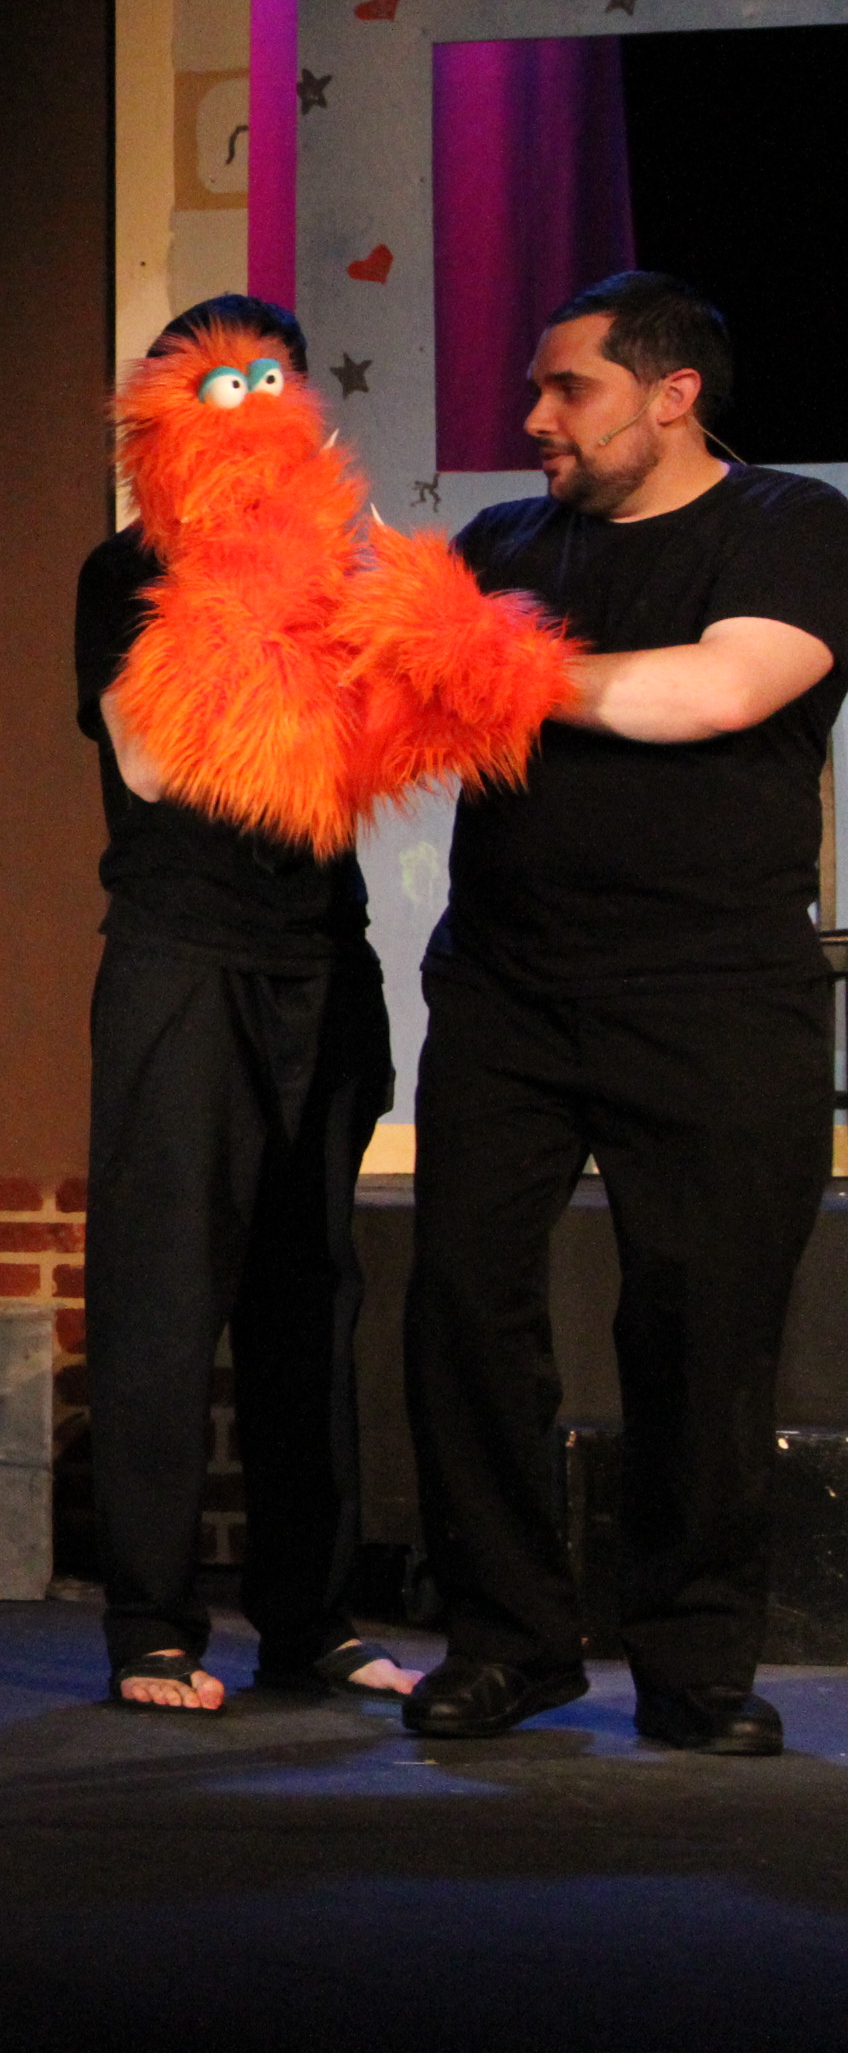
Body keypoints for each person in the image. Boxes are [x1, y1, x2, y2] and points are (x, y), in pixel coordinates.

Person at [402, 272, 848, 1753]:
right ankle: (507, 1641)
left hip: (715, 1002)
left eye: (569, 388)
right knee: (464, 1307)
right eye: (536, 387)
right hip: (509, 993)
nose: (535, 417)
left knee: (699, 1332)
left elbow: (715, 693)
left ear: (673, 395)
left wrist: (501, 668)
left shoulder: (787, 524)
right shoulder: (502, 545)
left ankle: (695, 1664)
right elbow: (411, 699)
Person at [76, 295, 421, 1713]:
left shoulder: (346, 564)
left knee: (311, 1295)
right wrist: (242, 587)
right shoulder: (128, 571)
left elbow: (392, 734)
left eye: (270, 387)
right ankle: (152, 1624)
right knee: (163, 1290)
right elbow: (155, 762)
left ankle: (311, 1618)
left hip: (320, 960)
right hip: (182, 962)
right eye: (217, 388)